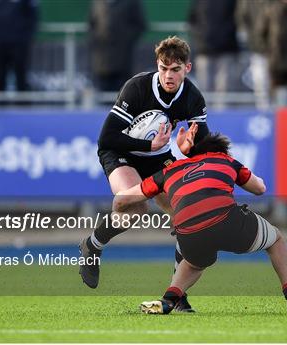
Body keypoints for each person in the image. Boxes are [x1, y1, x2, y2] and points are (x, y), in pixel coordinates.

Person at [112, 131, 287, 315]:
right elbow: (260, 189)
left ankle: (168, 300)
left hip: (186, 228)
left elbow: (124, 198)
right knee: (276, 240)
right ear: (223, 151)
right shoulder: (226, 161)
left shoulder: (170, 170)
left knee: (195, 262)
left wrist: (118, 210)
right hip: (226, 219)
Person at [79, 36, 210, 312]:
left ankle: (177, 293)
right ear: (157, 66)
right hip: (121, 153)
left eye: (175, 69)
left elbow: (204, 147)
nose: (168, 75)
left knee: (186, 214)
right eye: (163, 68)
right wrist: (147, 144)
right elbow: (107, 139)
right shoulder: (137, 87)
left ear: (188, 68)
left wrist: (189, 149)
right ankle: (92, 245)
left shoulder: (193, 98)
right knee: (136, 208)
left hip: (158, 157)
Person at [188, 0, 239, 108]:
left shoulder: (231, 2)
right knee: (204, 87)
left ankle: (224, 118)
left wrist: (227, 36)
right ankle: (204, 116)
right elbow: (192, 20)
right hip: (204, 50)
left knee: (225, 88)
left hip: (226, 49)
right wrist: (200, 38)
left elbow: (238, 19)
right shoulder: (199, 2)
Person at [88, 0, 146, 92]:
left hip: (123, 63)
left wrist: (126, 40)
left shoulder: (131, 2)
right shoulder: (98, 3)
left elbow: (140, 25)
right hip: (101, 64)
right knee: (103, 98)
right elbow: (92, 26)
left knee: (123, 96)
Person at [0, 0, 38, 91]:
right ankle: (0, 103)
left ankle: (22, 104)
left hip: (19, 44)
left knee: (21, 78)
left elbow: (33, 17)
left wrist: (25, 38)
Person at [236, 0, 272, 110]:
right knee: (260, 82)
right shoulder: (247, 3)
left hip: (276, 51)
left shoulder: (274, 3)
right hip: (257, 49)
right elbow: (241, 20)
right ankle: (263, 110)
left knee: (274, 84)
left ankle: (277, 111)